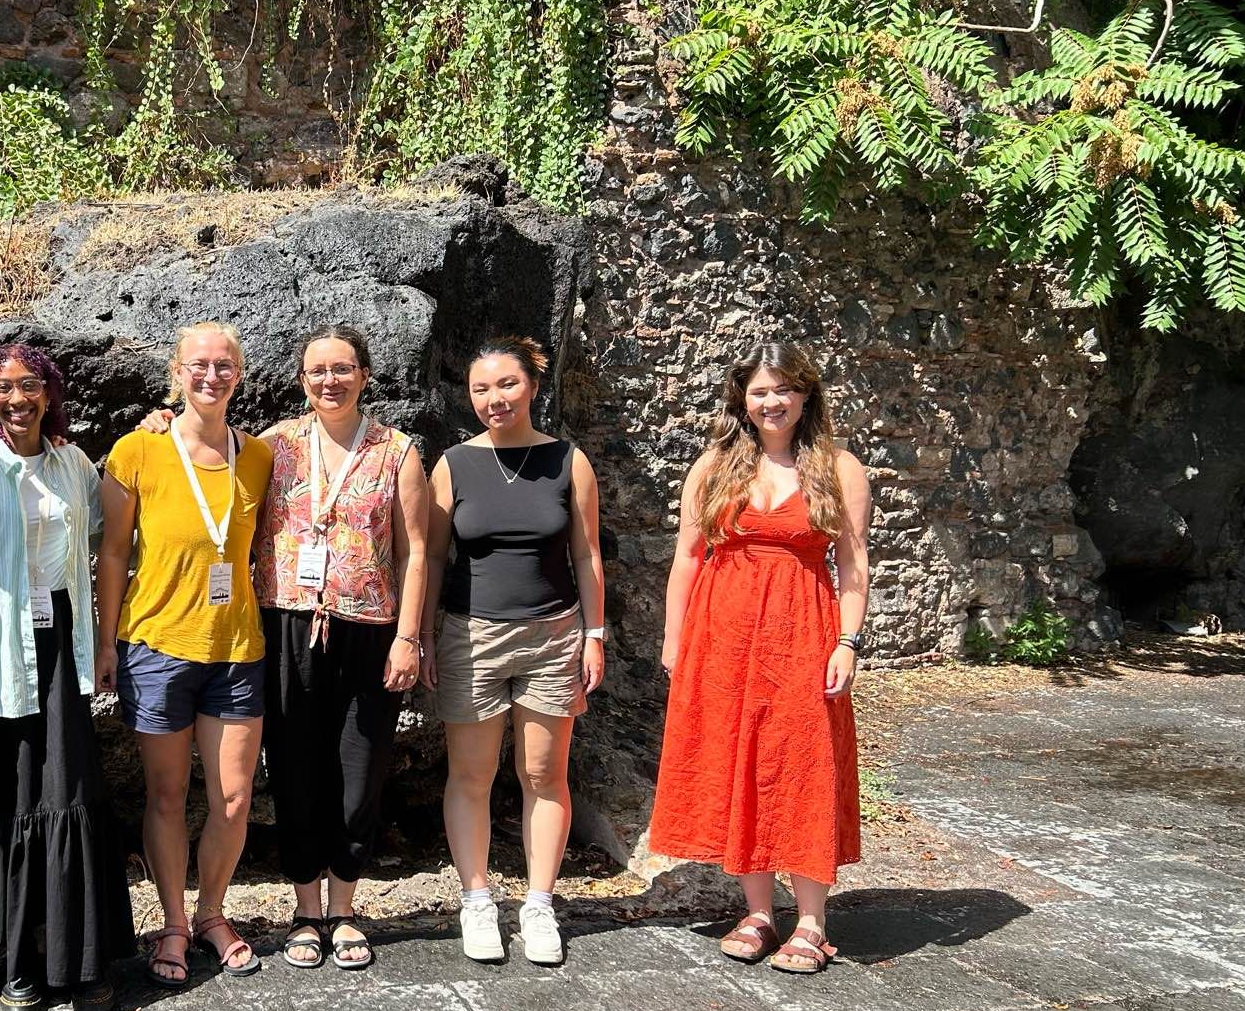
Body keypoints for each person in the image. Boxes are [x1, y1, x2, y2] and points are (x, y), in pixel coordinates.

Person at [143, 325, 427, 969]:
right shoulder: (274, 447)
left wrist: (409, 636)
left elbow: (414, 555)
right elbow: (205, 457)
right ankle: (305, 908)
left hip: (370, 629)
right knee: (296, 773)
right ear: (302, 380)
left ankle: (346, 908)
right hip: (285, 627)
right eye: (318, 370)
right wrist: (161, 419)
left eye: (344, 369)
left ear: (365, 375)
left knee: (359, 776)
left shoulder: (398, 452)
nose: (331, 381)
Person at [647, 342, 870, 974]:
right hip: (723, 633)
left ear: (805, 395)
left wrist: (847, 643)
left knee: (802, 761)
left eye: (784, 390)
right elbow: (688, 557)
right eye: (760, 392)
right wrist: (675, 638)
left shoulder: (838, 468)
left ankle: (811, 921)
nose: (772, 403)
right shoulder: (716, 465)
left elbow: (853, 566)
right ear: (741, 400)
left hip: (804, 630)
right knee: (736, 758)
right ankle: (757, 910)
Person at [0, 345, 135, 1011]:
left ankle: (75, 961)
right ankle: (14, 965)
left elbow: (117, 533)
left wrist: (153, 434)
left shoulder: (75, 464)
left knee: (70, 791)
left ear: (48, 393)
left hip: (63, 653)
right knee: (10, 802)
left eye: (29, 386)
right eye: (2, 388)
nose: (17, 399)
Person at [96, 322, 274, 987]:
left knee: (232, 797)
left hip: (236, 648)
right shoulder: (137, 449)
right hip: (158, 647)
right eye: (198, 364)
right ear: (176, 372)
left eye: (224, 364)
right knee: (168, 796)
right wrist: (105, 640)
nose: (211, 375)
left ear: (240, 373)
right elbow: (113, 552)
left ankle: (212, 912)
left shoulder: (257, 456)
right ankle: (172, 920)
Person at [421, 336, 605, 967]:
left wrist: (595, 635)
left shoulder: (568, 461)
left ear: (531, 386)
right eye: (480, 388)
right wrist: (419, 635)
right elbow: (432, 557)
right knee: (471, 775)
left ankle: (538, 904)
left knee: (543, 774)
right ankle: (476, 900)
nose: (494, 399)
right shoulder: (453, 465)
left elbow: (586, 555)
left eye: (506, 385)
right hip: (469, 636)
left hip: (554, 635)